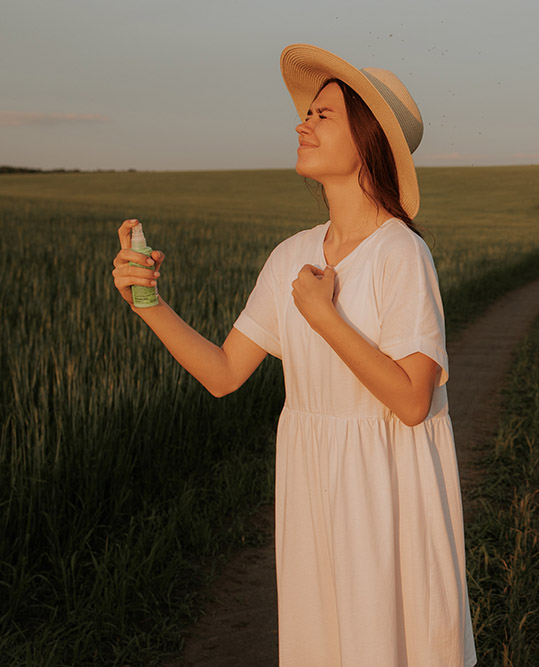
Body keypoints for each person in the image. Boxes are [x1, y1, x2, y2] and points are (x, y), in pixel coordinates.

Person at [111, 44, 477, 666]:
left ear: (369, 141)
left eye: (322, 115)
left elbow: (413, 400)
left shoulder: (400, 254)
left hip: (386, 497)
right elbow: (225, 374)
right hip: (315, 488)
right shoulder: (292, 255)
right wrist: (148, 303)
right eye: (307, 113)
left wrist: (323, 316)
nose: (301, 124)